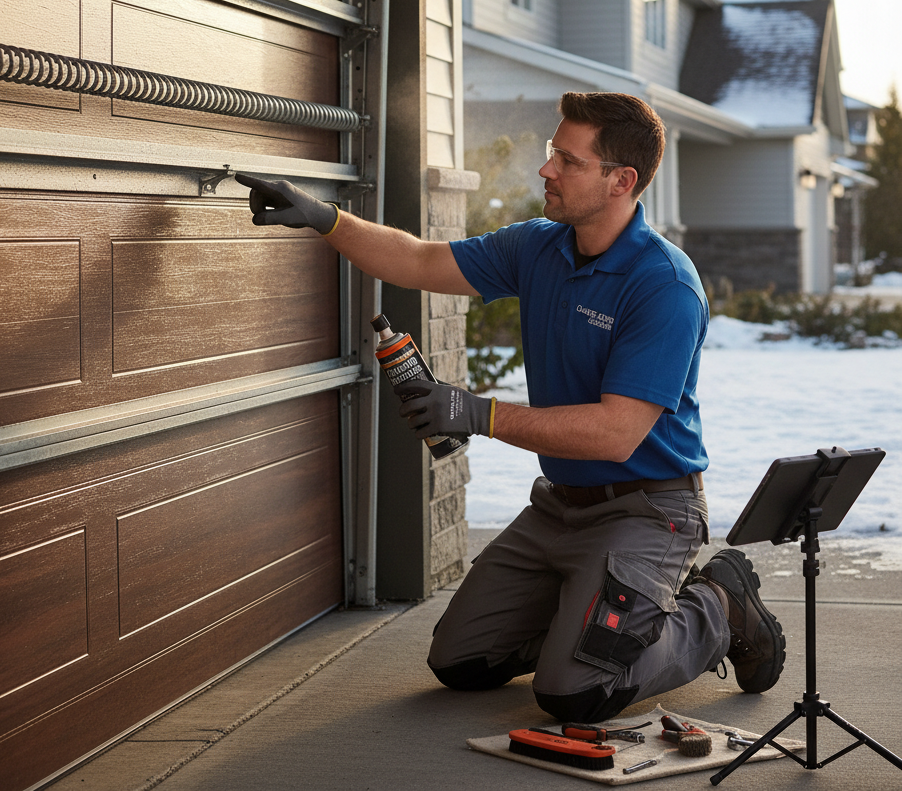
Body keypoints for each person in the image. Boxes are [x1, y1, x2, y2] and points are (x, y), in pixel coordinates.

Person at [236, 91, 786, 724]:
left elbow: (615, 433)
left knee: (574, 692)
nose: (547, 169)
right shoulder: (539, 247)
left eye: (567, 160)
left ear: (621, 181)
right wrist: (326, 219)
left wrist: (478, 413)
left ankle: (718, 606)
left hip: (648, 508)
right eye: (552, 152)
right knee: (461, 661)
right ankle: (589, 614)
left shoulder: (662, 284)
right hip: (560, 510)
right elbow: (418, 260)